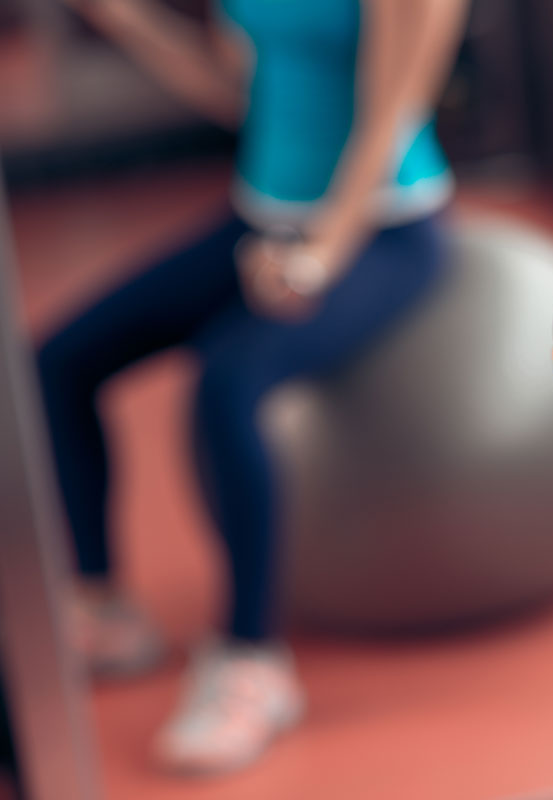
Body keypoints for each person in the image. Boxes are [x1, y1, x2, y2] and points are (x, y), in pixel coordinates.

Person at [37, 0, 466, 774]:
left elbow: (390, 114)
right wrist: (129, 22)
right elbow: (240, 90)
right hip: (258, 221)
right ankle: (105, 609)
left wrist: (320, 256)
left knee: (228, 381)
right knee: (57, 361)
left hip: (385, 229)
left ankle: (251, 663)